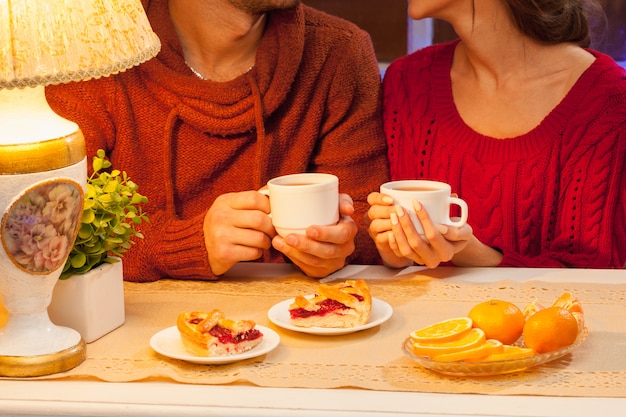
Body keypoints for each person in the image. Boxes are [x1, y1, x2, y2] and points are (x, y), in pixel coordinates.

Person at [47, 0, 389, 282]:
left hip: (296, 329)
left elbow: (363, 218)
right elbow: (51, 234)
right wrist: (186, 244)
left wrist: (338, 245)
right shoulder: (93, 50)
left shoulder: (340, 51)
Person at [367, 0, 625, 269]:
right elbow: (395, 264)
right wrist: (392, 253)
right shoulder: (407, 81)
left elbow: (595, 280)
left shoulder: (607, 101)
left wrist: (472, 254)